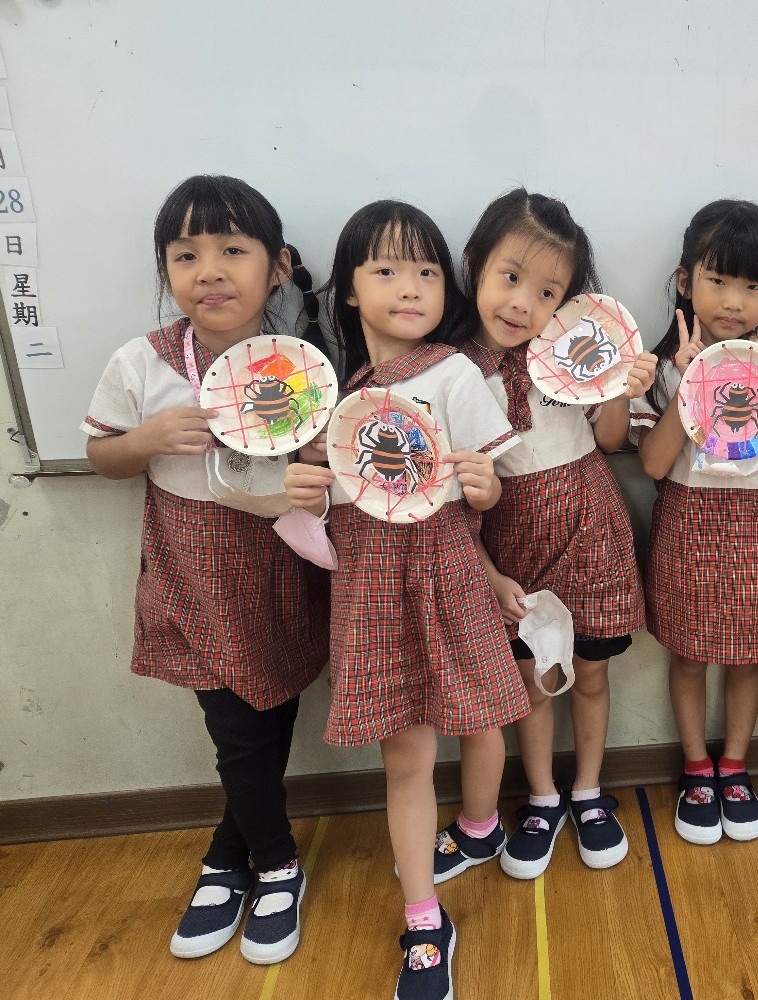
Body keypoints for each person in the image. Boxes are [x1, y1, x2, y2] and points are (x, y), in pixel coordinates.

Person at [284, 200, 529, 1000]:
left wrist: (484, 486)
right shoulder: (334, 391)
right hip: (369, 585)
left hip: (449, 570)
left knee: (483, 715)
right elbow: (326, 501)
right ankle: (423, 920)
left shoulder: (453, 372)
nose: (411, 286)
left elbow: (485, 492)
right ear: (348, 289)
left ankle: (481, 827)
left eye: (426, 270)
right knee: (406, 754)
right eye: (386, 269)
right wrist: (307, 485)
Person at [83, 175, 328, 964]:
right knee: (237, 731)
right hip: (191, 571)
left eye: (232, 250)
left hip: (280, 564)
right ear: (165, 269)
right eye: (185, 255)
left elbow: (330, 469)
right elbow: (101, 455)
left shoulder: (303, 365)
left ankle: (227, 856)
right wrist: (148, 439)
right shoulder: (142, 361)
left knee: (271, 711)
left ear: (277, 266)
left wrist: (317, 456)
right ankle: (278, 864)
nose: (209, 271)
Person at [449, 189, 655, 879]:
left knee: (590, 671)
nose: (522, 304)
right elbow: (454, 498)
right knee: (532, 676)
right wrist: (488, 573)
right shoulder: (450, 372)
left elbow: (612, 439)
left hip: (591, 525)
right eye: (510, 277)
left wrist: (620, 388)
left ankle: (589, 792)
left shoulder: (572, 354)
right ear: (475, 263)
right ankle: (541, 799)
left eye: (547, 292)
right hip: (511, 539)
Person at [631, 199, 758, 846]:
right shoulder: (664, 369)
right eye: (717, 280)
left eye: (752, 286)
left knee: (748, 658)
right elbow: (653, 465)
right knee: (687, 657)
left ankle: (734, 767)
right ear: (686, 282)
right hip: (688, 523)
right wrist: (686, 386)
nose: (733, 300)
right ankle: (695, 768)